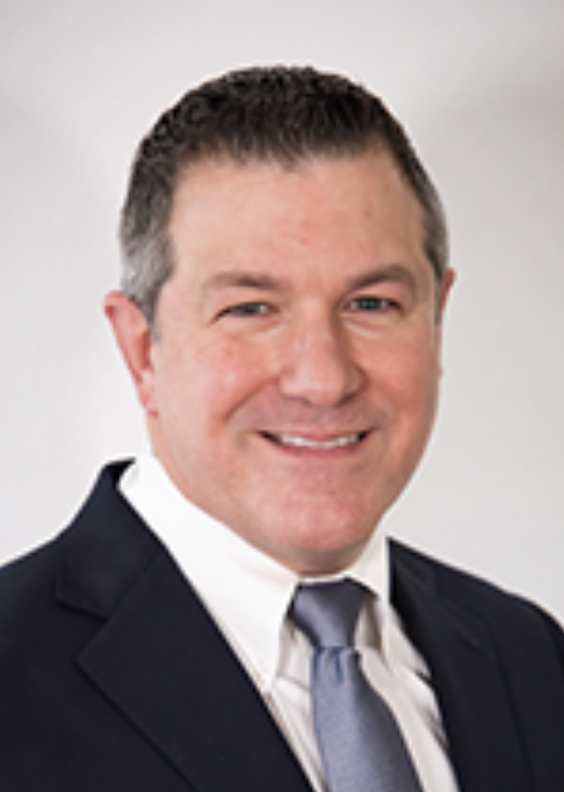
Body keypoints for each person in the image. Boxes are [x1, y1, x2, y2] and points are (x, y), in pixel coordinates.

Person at [1, 66, 563, 792]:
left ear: (437, 320)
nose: (323, 379)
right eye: (250, 310)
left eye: (371, 303)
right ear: (142, 349)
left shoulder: (530, 657)